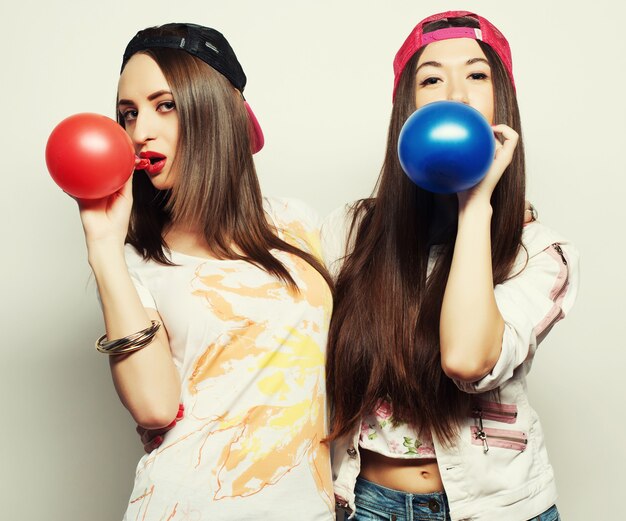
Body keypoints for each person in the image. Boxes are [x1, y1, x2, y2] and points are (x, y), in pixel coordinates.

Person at [322, 11, 579, 521]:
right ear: (407, 111)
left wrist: (476, 204)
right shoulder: (350, 233)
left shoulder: (539, 254)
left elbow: (466, 359)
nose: (455, 96)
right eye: (432, 78)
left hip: (498, 510)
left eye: (477, 75)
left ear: (501, 103)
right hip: (370, 504)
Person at [77, 23, 335, 520]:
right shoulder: (136, 261)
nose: (139, 131)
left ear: (215, 108)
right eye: (128, 114)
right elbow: (153, 407)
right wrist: (104, 247)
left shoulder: (298, 224)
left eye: (164, 105)